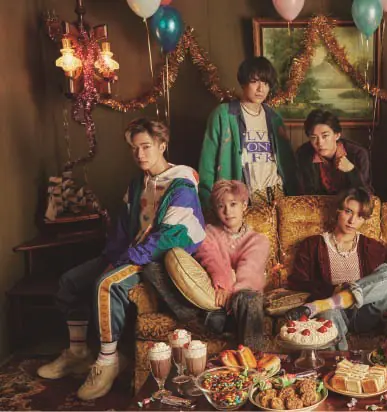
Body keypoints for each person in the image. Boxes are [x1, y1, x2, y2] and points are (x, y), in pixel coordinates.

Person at [37, 118, 206, 400]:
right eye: (134, 148)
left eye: (146, 146)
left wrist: (124, 261)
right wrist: (112, 257)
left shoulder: (182, 187)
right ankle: (78, 352)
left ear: (162, 145)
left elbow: (169, 239)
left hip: (157, 262)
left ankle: (108, 360)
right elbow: (121, 230)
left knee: (107, 283)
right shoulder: (137, 184)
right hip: (130, 252)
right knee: (70, 281)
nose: (139, 154)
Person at [284, 188, 387, 350]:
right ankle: (339, 362)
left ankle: (328, 302)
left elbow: (383, 285)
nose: (352, 220)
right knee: (328, 313)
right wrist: (333, 290)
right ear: (338, 210)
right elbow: (296, 282)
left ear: (365, 219)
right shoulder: (312, 245)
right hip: (335, 312)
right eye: (348, 211)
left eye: (360, 216)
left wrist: (347, 291)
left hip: (365, 312)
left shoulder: (374, 248)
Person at [198, 56, 297, 207]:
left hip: (277, 194)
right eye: (255, 81)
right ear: (243, 83)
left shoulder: (274, 118)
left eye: (265, 83)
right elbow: (208, 163)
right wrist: (207, 204)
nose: (261, 89)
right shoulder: (224, 115)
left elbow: (287, 162)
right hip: (241, 197)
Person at [194, 180, 270, 350]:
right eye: (221, 206)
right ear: (215, 209)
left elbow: (249, 273)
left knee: (249, 297)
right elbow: (211, 259)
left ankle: (253, 360)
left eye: (233, 204)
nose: (227, 211)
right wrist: (224, 281)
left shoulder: (259, 240)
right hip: (215, 302)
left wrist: (230, 292)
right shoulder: (208, 233)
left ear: (244, 205)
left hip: (242, 302)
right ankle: (222, 322)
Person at [296, 109, 373, 195]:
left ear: (337, 135)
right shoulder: (303, 154)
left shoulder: (358, 154)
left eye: (325, 136)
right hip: (318, 203)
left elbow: (366, 194)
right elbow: (304, 193)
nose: (320, 143)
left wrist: (351, 170)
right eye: (314, 137)